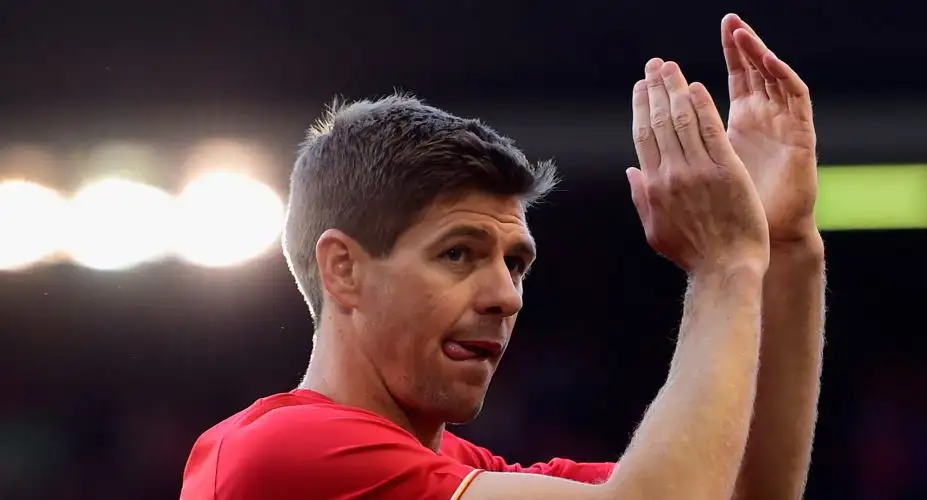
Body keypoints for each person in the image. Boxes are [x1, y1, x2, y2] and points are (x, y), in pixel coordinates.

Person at [180, 13, 825, 500]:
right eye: (458, 253)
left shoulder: (458, 470)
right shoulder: (283, 454)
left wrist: (786, 247)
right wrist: (723, 268)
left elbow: (743, 490)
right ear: (343, 269)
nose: (506, 296)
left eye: (515, 263)